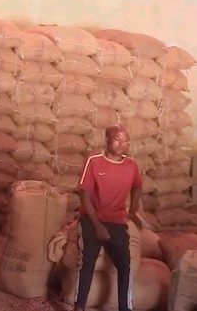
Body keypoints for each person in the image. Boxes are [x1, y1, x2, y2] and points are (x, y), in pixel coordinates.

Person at [74, 125, 143, 311]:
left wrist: (133, 211)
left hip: (117, 221)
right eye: (117, 139)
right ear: (106, 140)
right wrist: (97, 226)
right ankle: (79, 306)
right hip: (92, 218)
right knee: (88, 261)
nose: (122, 144)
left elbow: (137, 186)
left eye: (126, 140)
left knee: (125, 265)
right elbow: (84, 195)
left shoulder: (131, 165)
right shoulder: (94, 161)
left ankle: (125, 307)